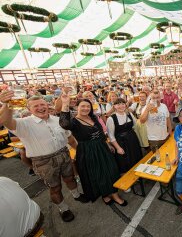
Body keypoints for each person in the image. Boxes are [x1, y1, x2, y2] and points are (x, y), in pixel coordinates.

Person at [0, 93, 88, 223]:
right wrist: (7, 105)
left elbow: (69, 138)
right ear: (29, 109)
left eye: (42, 104)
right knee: (55, 187)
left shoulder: (57, 120)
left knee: (70, 178)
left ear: (48, 105)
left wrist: (81, 151)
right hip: (44, 161)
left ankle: (76, 194)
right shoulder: (24, 123)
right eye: (35, 106)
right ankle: (63, 209)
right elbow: (6, 121)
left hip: (63, 154)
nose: (40, 107)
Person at [59, 95, 127, 206]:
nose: (86, 108)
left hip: (101, 147)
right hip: (87, 151)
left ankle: (114, 194)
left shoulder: (94, 117)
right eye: (82, 106)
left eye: (88, 106)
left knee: (111, 170)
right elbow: (64, 124)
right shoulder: (74, 122)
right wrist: (65, 104)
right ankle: (105, 194)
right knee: (97, 173)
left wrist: (107, 144)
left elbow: (100, 132)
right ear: (77, 107)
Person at [106, 98, 143, 175]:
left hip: (132, 140)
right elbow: (111, 136)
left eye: (123, 104)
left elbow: (135, 125)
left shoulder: (129, 114)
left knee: (135, 157)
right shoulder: (111, 118)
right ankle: (128, 179)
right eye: (118, 104)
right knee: (125, 161)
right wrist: (118, 148)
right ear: (114, 106)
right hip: (121, 142)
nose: (121, 106)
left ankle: (137, 175)